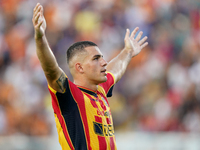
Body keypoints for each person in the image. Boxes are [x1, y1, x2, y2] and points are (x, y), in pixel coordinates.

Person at [32, 3, 148, 150]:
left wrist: (127, 52)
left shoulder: (100, 91)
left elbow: (115, 70)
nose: (104, 62)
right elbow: (51, 69)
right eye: (96, 59)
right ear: (79, 67)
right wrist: (40, 39)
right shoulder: (70, 95)